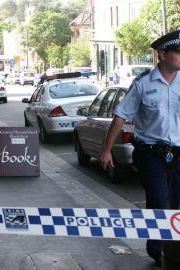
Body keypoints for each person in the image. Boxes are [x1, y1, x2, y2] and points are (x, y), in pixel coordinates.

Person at [98, 30, 180, 268]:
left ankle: (173, 250)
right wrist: (106, 150)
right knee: (160, 204)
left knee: (176, 205)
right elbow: (120, 117)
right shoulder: (143, 84)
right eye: (178, 52)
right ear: (162, 54)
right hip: (150, 155)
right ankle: (158, 253)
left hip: (178, 154)